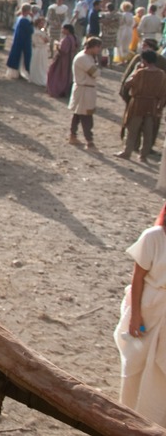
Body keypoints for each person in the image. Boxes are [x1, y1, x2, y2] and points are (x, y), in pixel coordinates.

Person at [114, 201, 166, 427]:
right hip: (148, 308)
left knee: (160, 372)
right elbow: (137, 278)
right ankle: (128, 419)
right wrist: (135, 315)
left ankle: (155, 423)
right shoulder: (154, 236)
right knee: (136, 364)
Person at [116, 49, 166, 161]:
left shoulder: (141, 72)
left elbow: (128, 84)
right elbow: (163, 92)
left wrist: (136, 70)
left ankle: (127, 152)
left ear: (144, 60)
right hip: (152, 105)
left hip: (138, 104)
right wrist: (159, 107)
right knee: (148, 132)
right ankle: (143, 156)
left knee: (132, 129)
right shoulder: (161, 74)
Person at [68, 37, 103, 149]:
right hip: (84, 90)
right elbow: (95, 73)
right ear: (92, 47)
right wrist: (97, 71)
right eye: (97, 47)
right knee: (86, 116)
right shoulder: (83, 58)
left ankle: (73, 135)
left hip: (87, 89)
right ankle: (89, 141)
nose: (99, 50)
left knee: (78, 114)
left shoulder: (89, 57)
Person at [47, 23, 79, 98]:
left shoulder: (67, 39)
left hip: (63, 59)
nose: (62, 30)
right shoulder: (74, 37)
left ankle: (57, 89)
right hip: (70, 58)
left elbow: (63, 50)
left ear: (67, 30)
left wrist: (57, 47)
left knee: (59, 74)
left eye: (63, 29)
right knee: (67, 75)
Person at [7, 3, 35, 79]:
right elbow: (31, 30)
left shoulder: (19, 18)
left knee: (17, 55)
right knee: (22, 57)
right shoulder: (24, 20)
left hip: (18, 39)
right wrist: (32, 20)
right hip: (23, 41)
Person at [28, 16, 50, 86]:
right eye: (41, 23)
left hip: (42, 49)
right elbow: (45, 40)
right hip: (38, 49)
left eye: (43, 23)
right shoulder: (37, 32)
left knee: (42, 64)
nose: (43, 25)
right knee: (37, 63)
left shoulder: (42, 31)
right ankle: (36, 77)